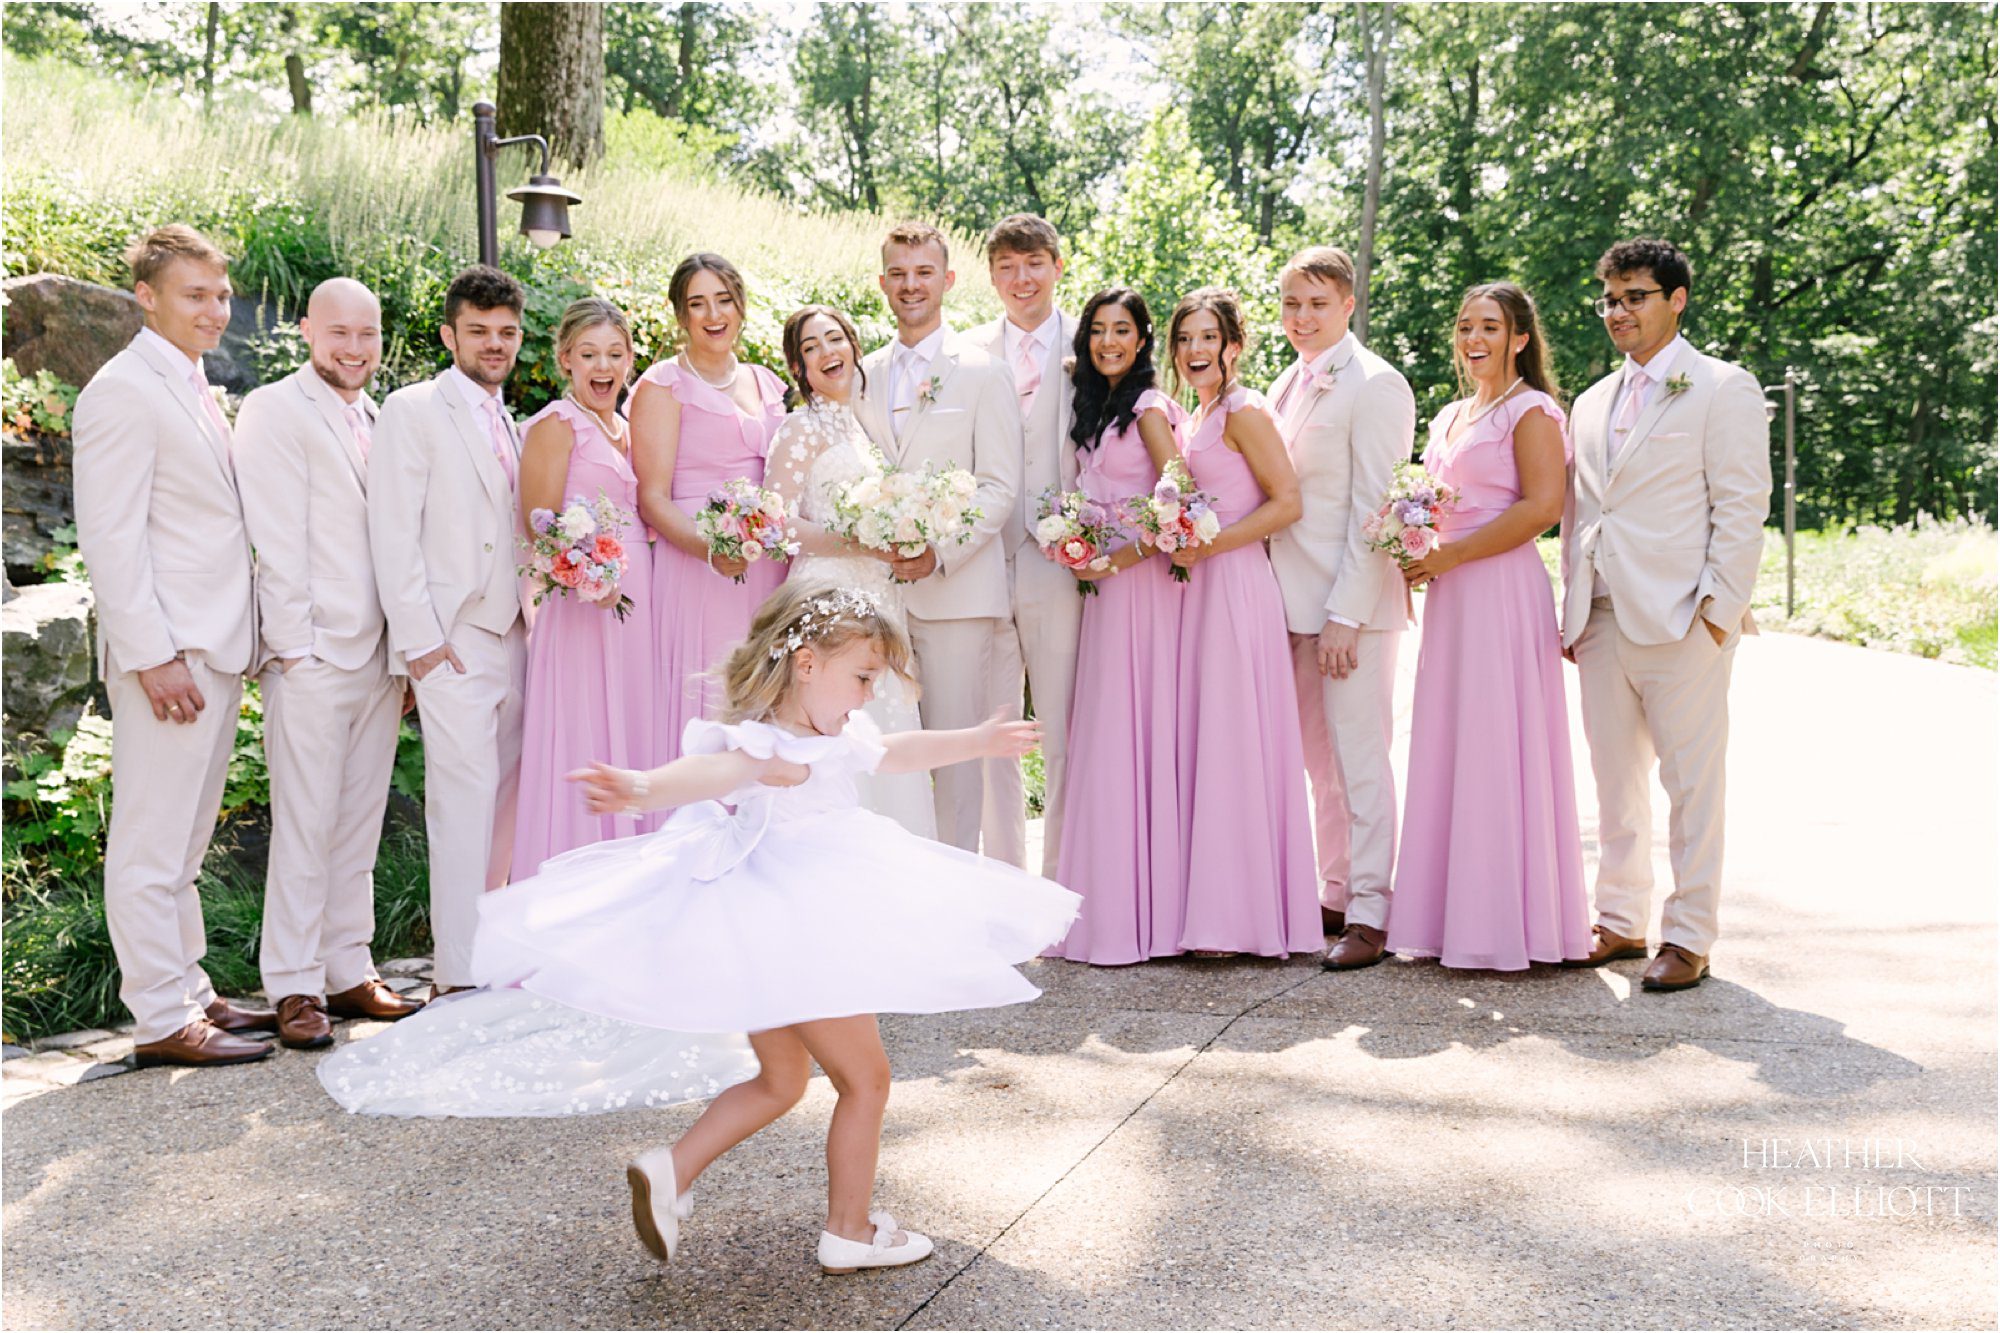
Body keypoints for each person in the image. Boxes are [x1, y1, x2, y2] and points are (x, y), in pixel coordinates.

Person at [317, 581, 1080, 1276]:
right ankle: (849, 1229)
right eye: (862, 676)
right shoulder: (767, 743)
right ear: (806, 663)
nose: (867, 694)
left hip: (771, 929)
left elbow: (894, 752)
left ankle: (671, 1170)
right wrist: (643, 786)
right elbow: (712, 773)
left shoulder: (826, 734)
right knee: (867, 1080)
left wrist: (977, 740)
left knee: (782, 1079)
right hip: (802, 931)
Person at [72, 224, 275, 1066]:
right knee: (151, 841)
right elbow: (110, 537)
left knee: (186, 841)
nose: (215, 310)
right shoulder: (122, 391)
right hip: (171, 650)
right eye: (196, 294)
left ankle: (189, 987)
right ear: (146, 297)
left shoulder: (192, 382)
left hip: (214, 643)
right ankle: (159, 1016)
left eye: (221, 294)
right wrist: (151, 655)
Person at [1560, 238, 1771, 991]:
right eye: (1610, 299)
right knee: (1615, 784)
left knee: (1692, 788)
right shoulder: (1589, 402)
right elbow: (1580, 513)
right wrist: (1572, 610)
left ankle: (1689, 935)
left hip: (1685, 620)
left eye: (1634, 297)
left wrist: (1718, 614)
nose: (1618, 311)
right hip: (1601, 618)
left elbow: (1742, 505)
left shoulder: (1722, 387)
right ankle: (1621, 920)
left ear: (1676, 300)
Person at [233, 277, 423, 1050]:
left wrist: (403, 656)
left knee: (358, 822)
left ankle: (348, 965)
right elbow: (276, 539)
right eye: (338, 331)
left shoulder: (380, 417)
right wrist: (293, 649)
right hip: (311, 652)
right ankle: (294, 983)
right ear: (308, 330)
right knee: (305, 824)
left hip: (379, 657)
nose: (354, 347)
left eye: (366, 333)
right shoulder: (274, 409)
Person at [1388, 282, 1591, 970]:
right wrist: (1412, 539)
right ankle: (1452, 916)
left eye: (1490, 327)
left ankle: (1510, 922)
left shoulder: (1532, 410)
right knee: (1451, 741)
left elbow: (1543, 507)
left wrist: (1452, 554)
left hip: (1500, 587)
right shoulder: (1450, 414)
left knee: (1498, 740)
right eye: (1466, 326)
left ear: (1520, 339)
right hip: (1450, 593)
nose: (1474, 339)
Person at [368, 265, 530, 999]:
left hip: (517, 637)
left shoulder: (513, 422)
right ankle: (458, 978)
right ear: (449, 335)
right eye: (478, 331)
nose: (494, 344)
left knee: (505, 808)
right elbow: (392, 528)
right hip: (454, 640)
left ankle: (497, 959)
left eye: (506, 332)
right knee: (460, 807)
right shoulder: (412, 409)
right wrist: (421, 644)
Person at [1262, 246, 1417, 970]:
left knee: (1359, 757)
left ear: (1348, 305)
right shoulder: (1284, 382)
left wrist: (1346, 615)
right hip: (1289, 602)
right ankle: (1334, 888)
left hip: (1349, 608)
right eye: (1291, 303)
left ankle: (1372, 909)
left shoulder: (1377, 384)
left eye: (1317, 304)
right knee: (1317, 761)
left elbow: (1375, 509)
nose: (1302, 317)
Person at [854, 222, 1023, 857]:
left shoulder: (984, 373)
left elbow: (999, 485)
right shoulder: (863, 374)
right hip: (879, 602)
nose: (911, 285)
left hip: (958, 596)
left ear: (947, 280)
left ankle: (959, 899)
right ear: (882, 283)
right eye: (898, 274)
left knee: (955, 760)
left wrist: (939, 553)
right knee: (882, 761)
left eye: (924, 272)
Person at [1164, 288, 1321, 958]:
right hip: (1197, 588)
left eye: (1207, 337)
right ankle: (1211, 908)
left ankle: (1239, 920)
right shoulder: (1196, 414)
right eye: (1184, 339)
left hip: (1234, 583)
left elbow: (1288, 502)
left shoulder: (1244, 409)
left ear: (1233, 345)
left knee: (1233, 738)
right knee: (1210, 737)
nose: (1194, 350)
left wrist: (1211, 544)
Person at [1048, 288, 1191, 964]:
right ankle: (1108, 905)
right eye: (1098, 330)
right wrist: (1075, 542)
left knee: (1137, 730)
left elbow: (1182, 500)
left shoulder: (1148, 409)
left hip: (1143, 590)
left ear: (1142, 340)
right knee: (1106, 734)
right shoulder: (1096, 408)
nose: (1109, 342)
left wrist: (1120, 558)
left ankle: (1152, 914)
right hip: (1102, 591)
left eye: (1122, 330)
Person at [764, 304, 937, 836]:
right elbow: (777, 522)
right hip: (827, 600)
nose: (826, 352)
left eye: (834, 339)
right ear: (799, 367)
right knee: (838, 734)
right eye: (810, 347)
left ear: (853, 347)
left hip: (880, 598)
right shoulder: (799, 429)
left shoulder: (866, 427)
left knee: (883, 726)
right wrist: (859, 541)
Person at [511, 298, 656, 874]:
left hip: (638, 611)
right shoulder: (556, 425)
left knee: (634, 730)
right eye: (589, 354)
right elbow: (538, 525)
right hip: (582, 613)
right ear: (566, 358)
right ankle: (576, 872)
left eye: (615, 354)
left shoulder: (629, 429)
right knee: (586, 735)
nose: (603, 366)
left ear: (630, 359)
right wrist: (588, 575)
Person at [631, 253, 790, 775]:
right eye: (698, 304)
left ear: (741, 305)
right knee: (709, 698)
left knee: (765, 702)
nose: (714, 314)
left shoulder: (768, 382)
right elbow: (653, 498)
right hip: (698, 567)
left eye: (723, 300)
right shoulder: (663, 385)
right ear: (681, 315)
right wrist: (712, 551)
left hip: (766, 569)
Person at [963, 214, 1082, 875]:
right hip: (984, 559)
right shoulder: (968, 352)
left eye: (1034, 263)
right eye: (1007, 266)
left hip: (1061, 561)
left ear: (1057, 267)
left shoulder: (1091, 340)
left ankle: (1059, 877)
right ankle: (1005, 877)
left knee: (1062, 727)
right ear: (991, 277)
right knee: (994, 729)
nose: (1022, 278)